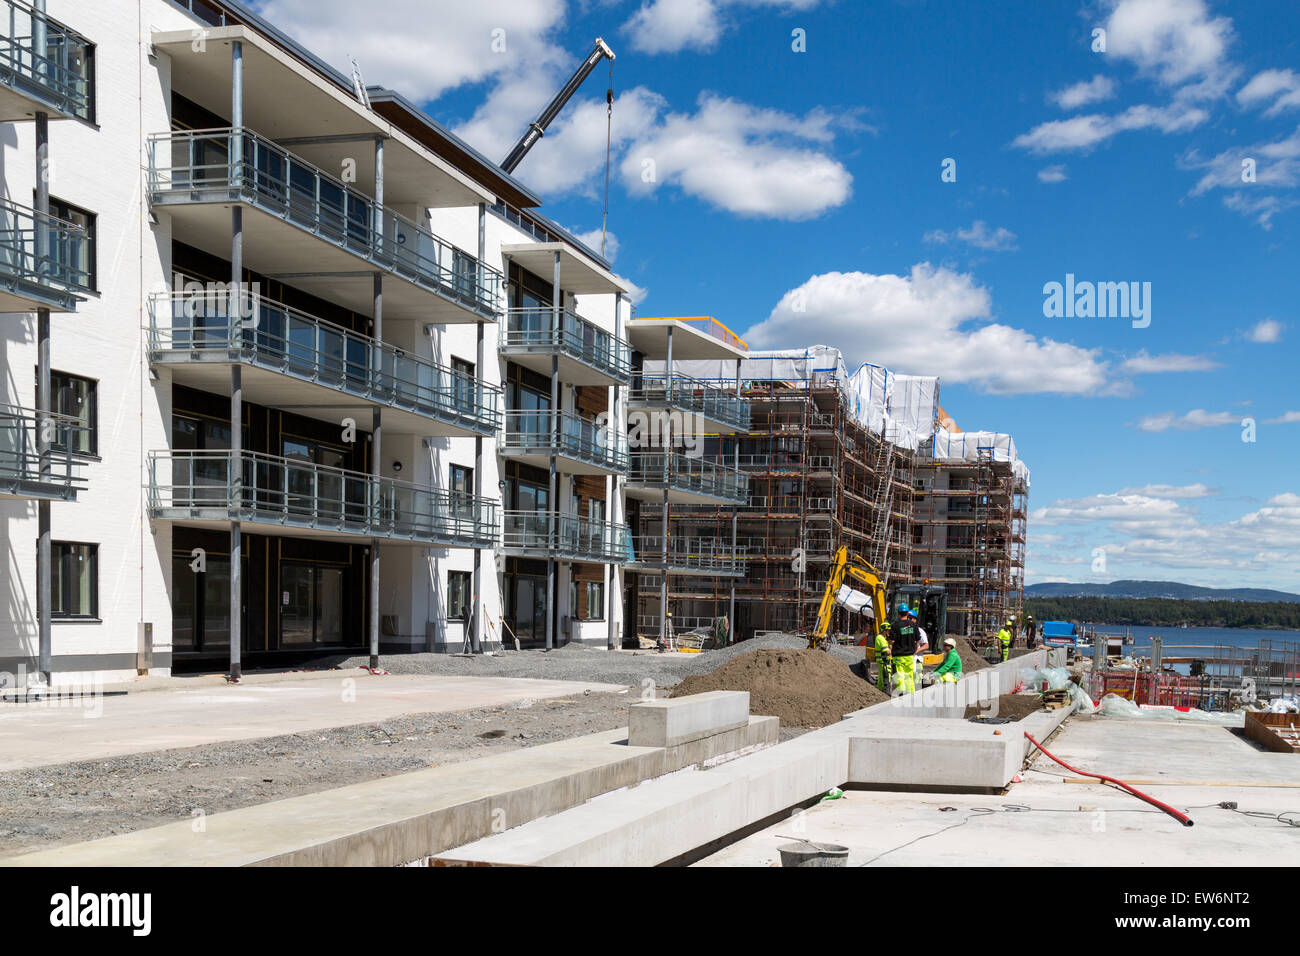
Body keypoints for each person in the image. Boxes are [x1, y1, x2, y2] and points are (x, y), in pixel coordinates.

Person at [892, 606, 919, 694]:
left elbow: (892, 641)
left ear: (898, 614)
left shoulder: (895, 625)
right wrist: (914, 651)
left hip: (899, 656)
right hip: (910, 656)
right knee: (909, 677)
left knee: (900, 676)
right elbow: (918, 640)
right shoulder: (913, 625)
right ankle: (911, 695)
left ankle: (901, 694)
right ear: (907, 613)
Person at [873, 622, 893, 694]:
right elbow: (887, 652)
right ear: (884, 630)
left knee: (882, 678)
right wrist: (890, 646)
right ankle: (885, 692)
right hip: (883, 661)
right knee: (886, 678)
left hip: (885, 661)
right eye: (888, 630)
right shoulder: (880, 638)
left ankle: (881, 690)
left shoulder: (883, 638)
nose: (889, 631)